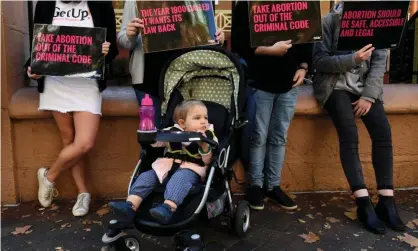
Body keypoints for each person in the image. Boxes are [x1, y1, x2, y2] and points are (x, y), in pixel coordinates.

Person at [312, 2, 405, 234]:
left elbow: (378, 64)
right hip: (335, 86)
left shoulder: (377, 20)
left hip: (364, 89)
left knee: (383, 131)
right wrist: (352, 58)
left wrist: (369, 96)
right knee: (349, 132)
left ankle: (386, 200)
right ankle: (363, 202)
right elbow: (320, 61)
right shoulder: (329, 21)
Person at [26, 0, 118, 216]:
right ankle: (83, 194)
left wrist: (106, 49)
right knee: (69, 140)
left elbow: (112, 49)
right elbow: (38, 44)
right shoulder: (46, 4)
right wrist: (32, 69)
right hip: (56, 81)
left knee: (84, 143)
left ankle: (49, 176)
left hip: (87, 82)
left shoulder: (101, 4)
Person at [231, 1, 310, 211]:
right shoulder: (246, 5)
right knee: (258, 135)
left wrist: (304, 66)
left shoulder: (297, 4)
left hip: (290, 82)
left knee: (279, 135)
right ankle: (255, 185)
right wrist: (267, 50)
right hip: (260, 82)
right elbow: (239, 45)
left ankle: (273, 186)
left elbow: (307, 37)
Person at [117, 0, 225, 130]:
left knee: (187, 136)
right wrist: (130, 34)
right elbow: (124, 42)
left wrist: (218, 37)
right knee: (151, 139)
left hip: (187, 80)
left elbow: (205, 35)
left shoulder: (193, 3)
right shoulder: (134, 1)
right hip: (149, 79)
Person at [109, 100, 218, 224]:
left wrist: (204, 146)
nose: (203, 121)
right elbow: (157, 143)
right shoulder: (172, 130)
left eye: (206, 117)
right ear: (182, 123)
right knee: (146, 176)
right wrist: (150, 134)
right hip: (165, 167)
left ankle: (168, 208)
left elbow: (208, 160)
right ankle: (130, 205)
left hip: (190, 170)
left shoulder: (208, 135)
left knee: (179, 180)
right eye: (197, 118)